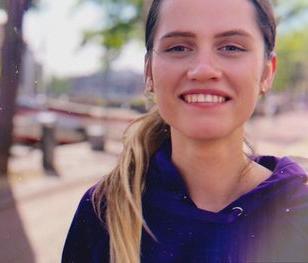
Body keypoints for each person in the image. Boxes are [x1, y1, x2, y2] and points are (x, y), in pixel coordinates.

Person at [62, 0, 308, 262]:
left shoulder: (300, 214)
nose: (203, 70)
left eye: (231, 47)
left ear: (267, 72)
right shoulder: (102, 211)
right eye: (178, 47)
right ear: (149, 72)